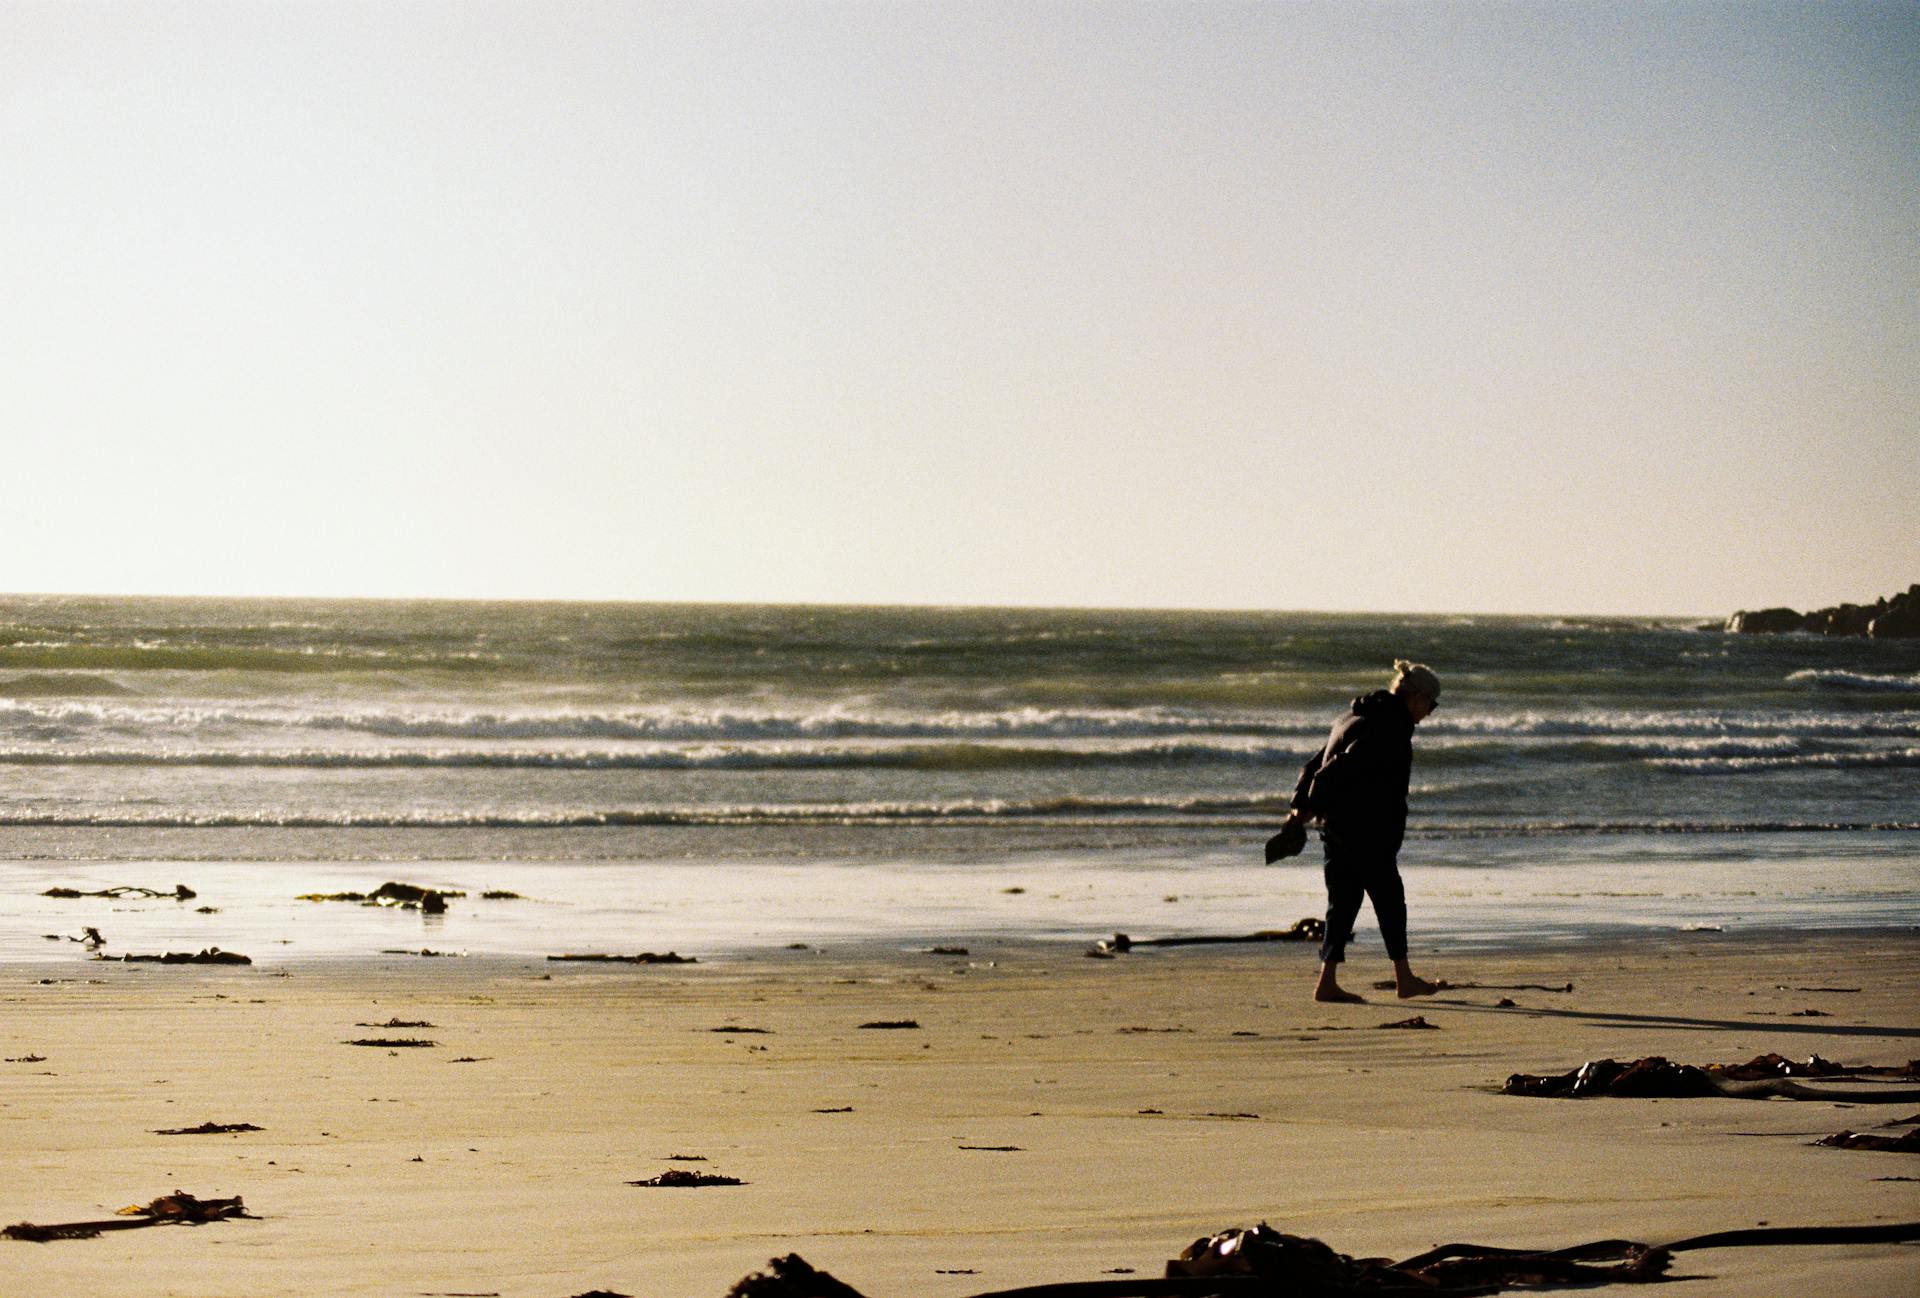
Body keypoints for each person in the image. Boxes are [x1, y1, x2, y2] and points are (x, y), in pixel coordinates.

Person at [1279, 659, 1443, 1003]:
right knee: (1390, 902)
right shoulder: (1390, 726)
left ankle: (1328, 982)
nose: (1430, 712)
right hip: (1367, 831)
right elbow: (1339, 768)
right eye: (1432, 703)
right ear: (1415, 696)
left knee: (1343, 904)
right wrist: (1312, 802)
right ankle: (1405, 979)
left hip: (1337, 828)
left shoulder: (1352, 716)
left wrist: (1301, 806)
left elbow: (1315, 762)